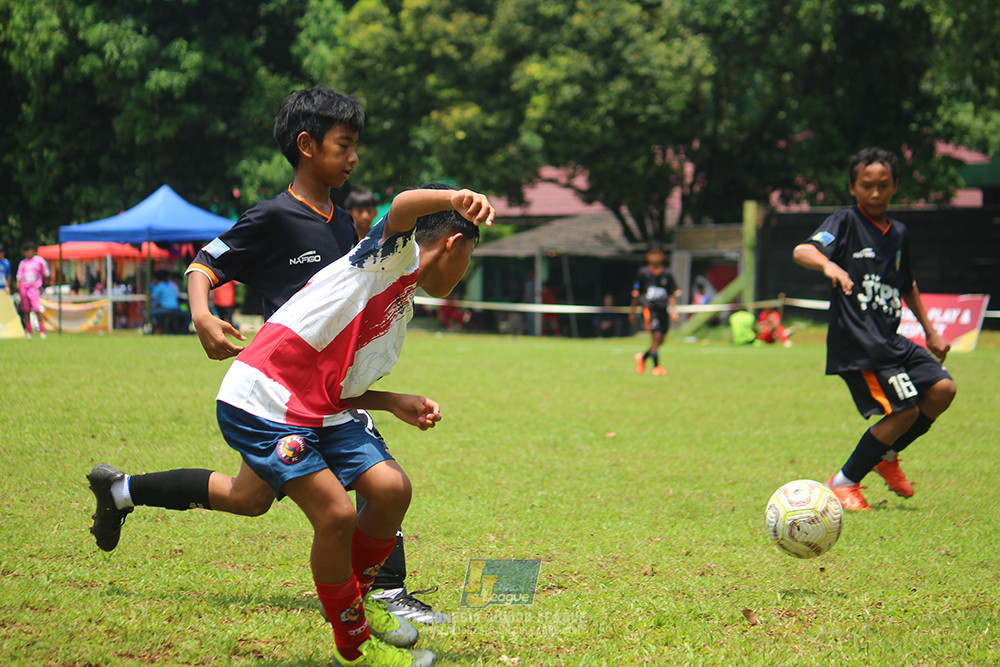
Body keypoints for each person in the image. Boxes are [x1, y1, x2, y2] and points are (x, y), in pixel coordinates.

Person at [87, 87, 451, 625]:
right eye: (344, 145)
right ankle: (384, 594)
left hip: (325, 386)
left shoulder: (342, 224)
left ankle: (121, 490)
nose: (354, 158)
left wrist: (383, 389)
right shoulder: (274, 217)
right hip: (280, 388)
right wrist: (202, 315)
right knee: (367, 482)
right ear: (307, 145)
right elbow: (203, 263)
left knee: (252, 496)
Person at [110, 185, 491, 667]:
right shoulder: (393, 257)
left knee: (391, 490)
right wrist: (454, 197)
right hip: (265, 398)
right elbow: (399, 208)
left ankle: (358, 606)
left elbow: (340, 390)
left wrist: (393, 400)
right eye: (469, 259)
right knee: (335, 516)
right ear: (454, 244)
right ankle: (356, 648)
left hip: (317, 406)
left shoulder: (400, 304)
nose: (463, 274)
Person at [793, 146, 957, 511]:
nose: (876, 193)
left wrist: (930, 331)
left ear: (895, 186)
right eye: (867, 185)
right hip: (858, 344)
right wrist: (828, 266)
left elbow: (907, 283)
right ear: (853, 187)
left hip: (890, 340)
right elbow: (802, 251)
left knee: (943, 389)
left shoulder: (898, 232)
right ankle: (843, 482)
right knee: (906, 410)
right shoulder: (845, 222)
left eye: (884, 185)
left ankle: (886, 455)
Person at [629, 244, 679, 375]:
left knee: (661, 338)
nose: (656, 257)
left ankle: (643, 358)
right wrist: (632, 311)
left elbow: (671, 294)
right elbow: (635, 293)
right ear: (647, 256)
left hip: (663, 309)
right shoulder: (643, 273)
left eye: (658, 254)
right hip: (650, 309)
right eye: (653, 253)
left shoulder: (667, 273)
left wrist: (673, 311)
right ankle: (656, 367)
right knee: (655, 337)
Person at [16, 241, 50, 339]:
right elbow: (19, 277)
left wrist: (43, 286)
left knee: (36, 309)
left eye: (29, 251)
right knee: (26, 311)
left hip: (34, 288)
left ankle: (42, 331)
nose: (27, 253)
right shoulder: (23, 263)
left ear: (33, 251)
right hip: (24, 288)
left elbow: (46, 274)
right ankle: (29, 332)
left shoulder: (39, 261)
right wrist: (18, 291)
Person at [150, 269, 185, 334]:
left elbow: (152, 298)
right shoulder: (170, 285)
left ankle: (157, 329)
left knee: (149, 313)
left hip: (167, 309)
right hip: (175, 308)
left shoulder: (160, 285)